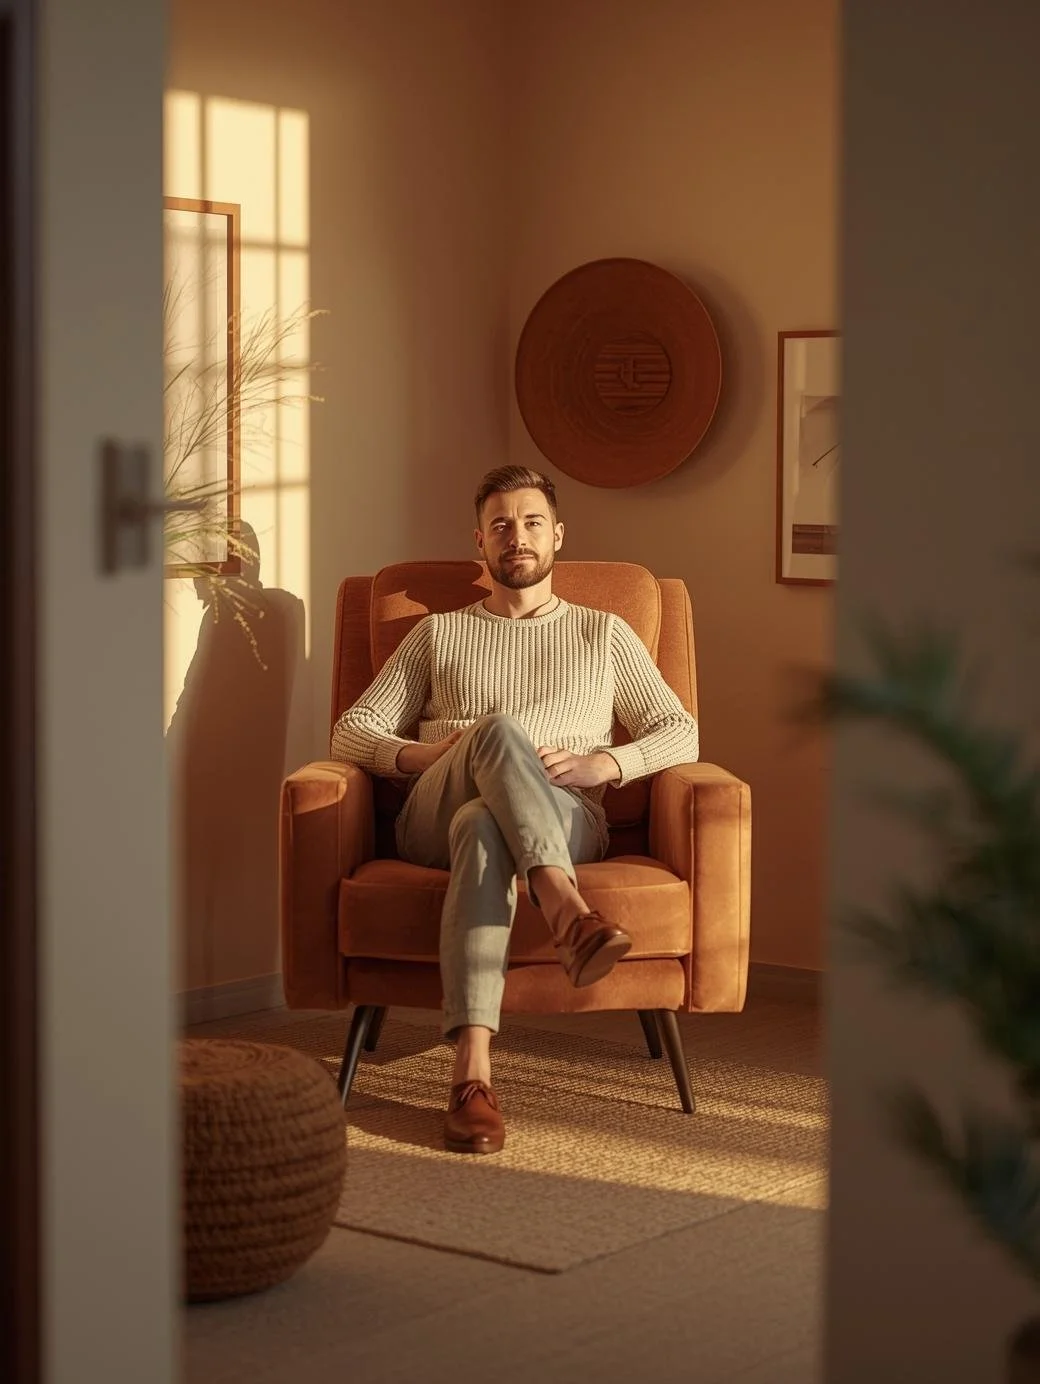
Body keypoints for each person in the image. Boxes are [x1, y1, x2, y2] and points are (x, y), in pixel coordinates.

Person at [331, 466, 699, 1154]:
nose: (517, 536)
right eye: (500, 524)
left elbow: (680, 730)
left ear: (558, 535)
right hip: (432, 813)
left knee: (482, 824)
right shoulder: (437, 635)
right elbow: (352, 732)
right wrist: (430, 755)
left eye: (532, 522)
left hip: (565, 813)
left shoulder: (604, 634)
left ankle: (471, 1076)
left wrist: (606, 764)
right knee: (496, 733)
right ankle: (567, 911)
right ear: (481, 541)